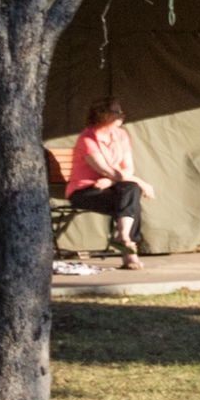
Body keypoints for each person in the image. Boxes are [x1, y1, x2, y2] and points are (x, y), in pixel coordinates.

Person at [64, 95, 148, 269]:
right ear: (103, 114)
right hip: (85, 191)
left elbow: (127, 169)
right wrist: (140, 181)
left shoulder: (121, 135)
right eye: (116, 111)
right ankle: (129, 253)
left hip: (111, 188)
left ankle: (123, 236)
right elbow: (107, 170)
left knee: (130, 192)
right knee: (132, 196)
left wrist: (110, 182)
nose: (122, 115)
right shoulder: (87, 139)